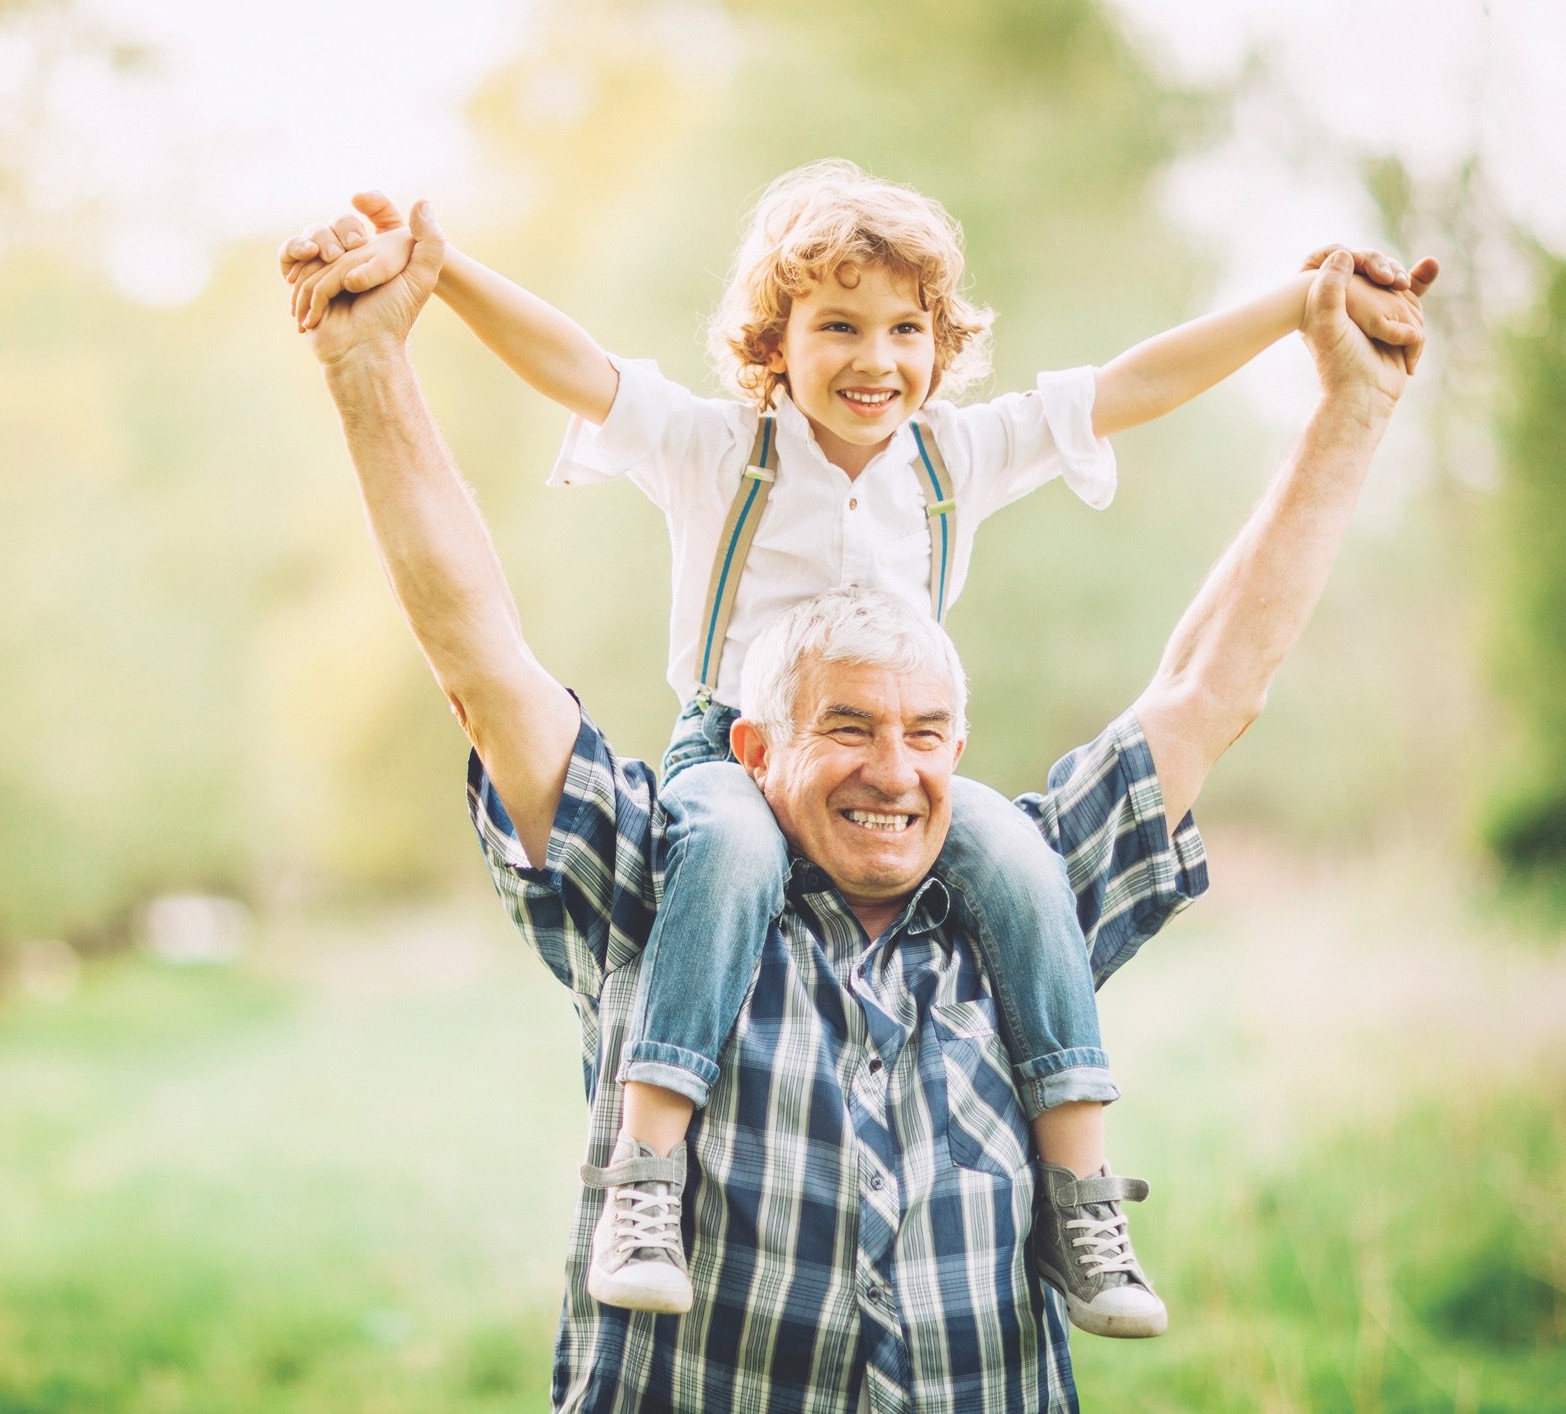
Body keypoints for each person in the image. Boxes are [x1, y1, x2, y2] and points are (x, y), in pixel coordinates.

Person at [293, 198, 1430, 1411]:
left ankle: (1081, 1199)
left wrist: (1336, 367)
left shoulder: (1010, 876)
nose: (894, 769)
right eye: (848, 728)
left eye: (926, 733)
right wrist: (393, 331)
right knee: (731, 840)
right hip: (715, 795)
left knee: (1021, 855)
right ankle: (648, 1177)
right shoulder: (657, 878)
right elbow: (485, 656)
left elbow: (1210, 682)